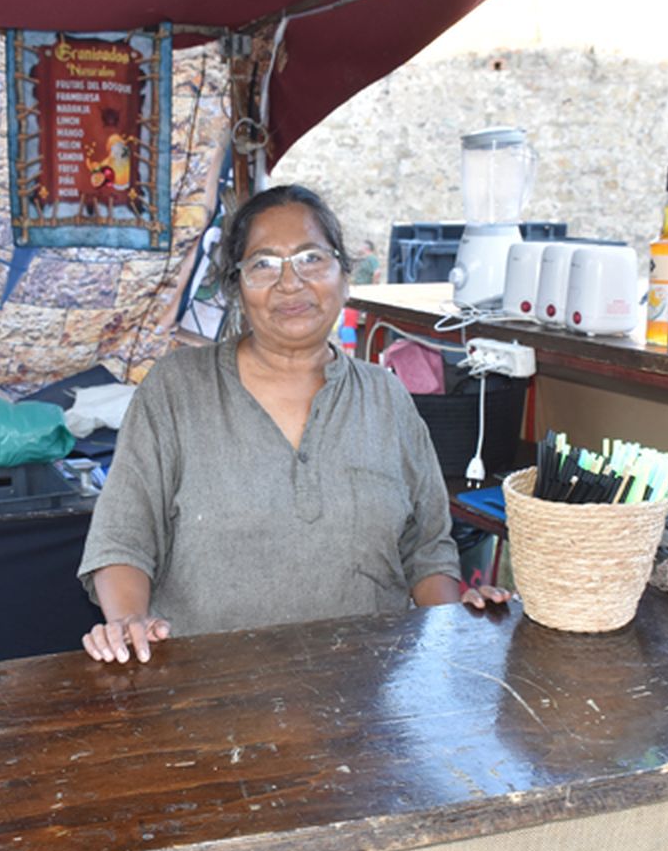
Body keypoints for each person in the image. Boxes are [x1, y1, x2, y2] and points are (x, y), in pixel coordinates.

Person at [78, 184, 510, 664]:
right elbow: (124, 538)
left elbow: (427, 548)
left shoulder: (386, 399)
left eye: (311, 258)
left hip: (364, 696)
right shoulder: (177, 390)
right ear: (237, 287)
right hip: (202, 694)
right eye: (263, 264)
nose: (290, 283)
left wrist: (453, 620)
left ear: (345, 276)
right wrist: (128, 622)